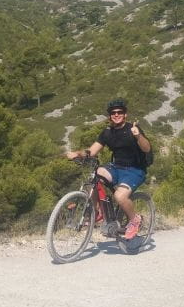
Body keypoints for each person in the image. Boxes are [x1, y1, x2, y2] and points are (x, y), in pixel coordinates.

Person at [65, 99, 152, 239]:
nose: (116, 114)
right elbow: (92, 151)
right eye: (113, 113)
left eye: (119, 112)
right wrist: (77, 153)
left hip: (135, 170)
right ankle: (96, 212)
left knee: (119, 196)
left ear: (125, 114)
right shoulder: (107, 132)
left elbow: (147, 148)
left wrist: (138, 135)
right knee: (95, 175)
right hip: (116, 167)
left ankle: (135, 220)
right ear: (110, 116)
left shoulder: (133, 129)